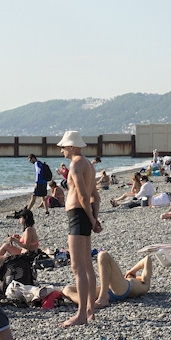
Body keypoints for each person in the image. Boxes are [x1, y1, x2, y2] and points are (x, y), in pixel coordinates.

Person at [59, 130, 102, 327]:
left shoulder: (76, 164)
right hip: (84, 214)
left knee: (77, 267)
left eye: (64, 147)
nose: (62, 150)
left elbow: (84, 196)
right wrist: (94, 217)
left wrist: (92, 220)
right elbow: (96, 196)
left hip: (77, 214)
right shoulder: (89, 166)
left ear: (72, 146)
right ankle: (89, 310)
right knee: (87, 264)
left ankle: (81, 315)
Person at [63, 253, 153, 309]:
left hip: (123, 289)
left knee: (103, 255)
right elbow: (145, 260)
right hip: (110, 290)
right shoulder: (125, 281)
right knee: (67, 289)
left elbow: (147, 259)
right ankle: (88, 304)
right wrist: (132, 272)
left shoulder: (144, 284)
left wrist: (132, 271)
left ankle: (102, 298)